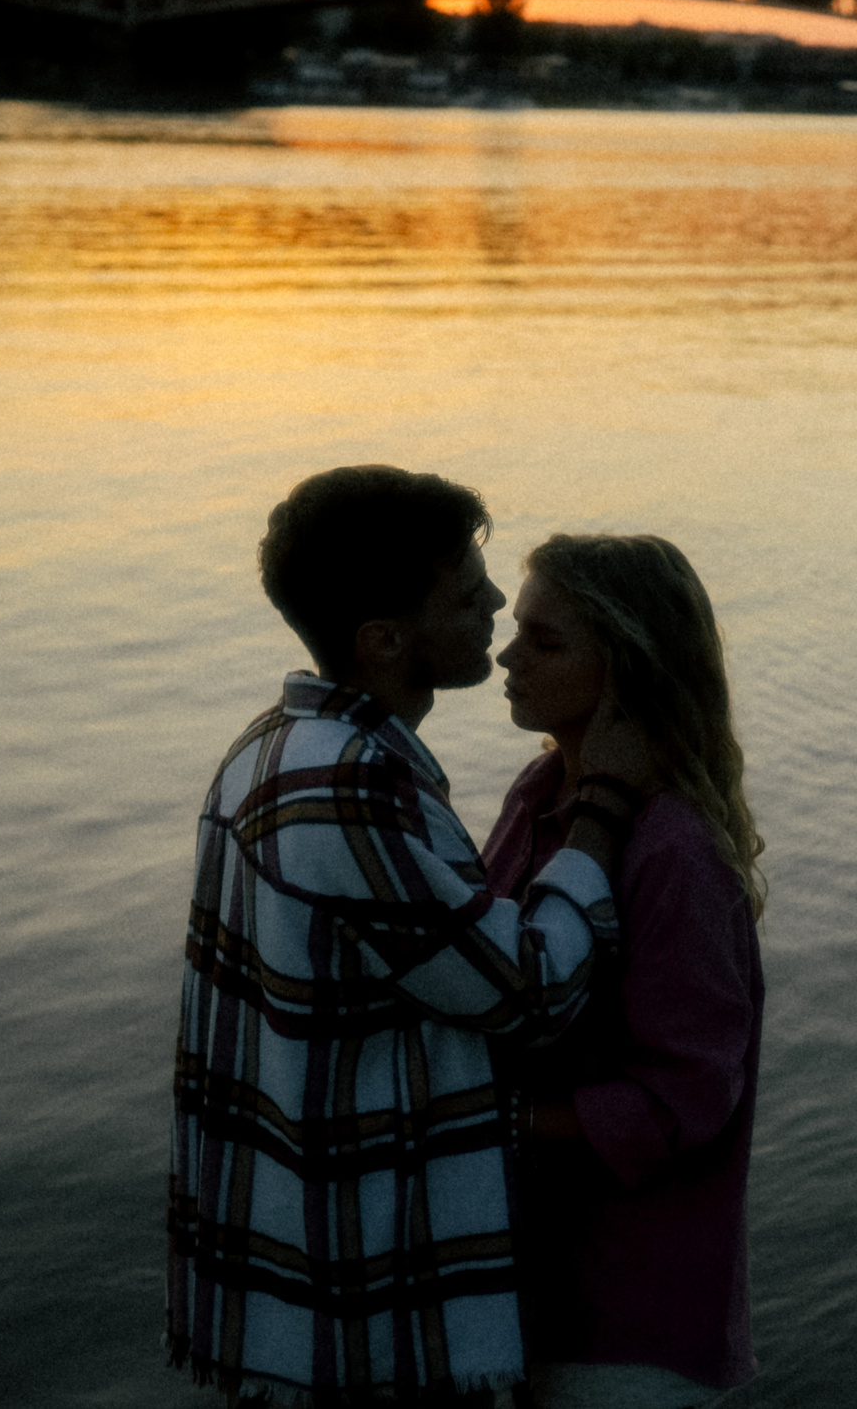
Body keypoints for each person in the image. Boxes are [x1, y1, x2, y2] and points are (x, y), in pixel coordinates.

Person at [169, 466, 647, 1407]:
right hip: (366, 1304)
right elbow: (530, 990)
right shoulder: (344, 786)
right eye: (468, 596)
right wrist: (602, 807)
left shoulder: (265, 748)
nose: (498, 606)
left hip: (296, 1282)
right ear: (383, 638)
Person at [481, 533, 767, 1409]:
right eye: (517, 630)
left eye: (545, 640)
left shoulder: (675, 849)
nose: (508, 655)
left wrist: (496, 1118)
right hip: (527, 1290)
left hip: (628, 1320)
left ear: (628, 672)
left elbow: (686, 1098)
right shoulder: (538, 796)